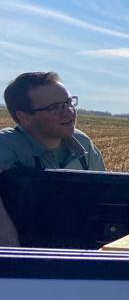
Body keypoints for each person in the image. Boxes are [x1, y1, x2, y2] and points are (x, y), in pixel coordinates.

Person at [0, 72, 106, 245]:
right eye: (55, 108)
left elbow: (106, 197)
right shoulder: (7, 145)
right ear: (24, 117)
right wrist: (9, 241)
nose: (69, 112)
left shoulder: (83, 144)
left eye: (69, 103)